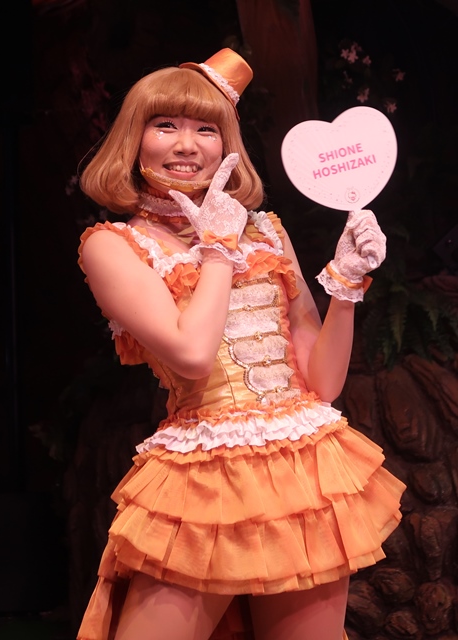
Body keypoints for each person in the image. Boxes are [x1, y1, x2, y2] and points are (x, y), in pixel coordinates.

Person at [75, 48, 406, 640]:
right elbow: (192, 355)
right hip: (201, 478)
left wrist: (346, 285)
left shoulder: (267, 230)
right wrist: (218, 249)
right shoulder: (113, 245)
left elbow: (323, 383)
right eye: (166, 125)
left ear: (226, 145)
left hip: (304, 468)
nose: (187, 145)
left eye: (206, 129)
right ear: (134, 139)